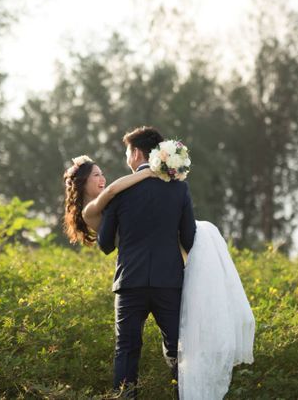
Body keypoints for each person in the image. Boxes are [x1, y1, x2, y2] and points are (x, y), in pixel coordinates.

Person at [63, 126, 254, 399]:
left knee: (126, 349)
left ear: (137, 152)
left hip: (129, 282)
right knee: (178, 349)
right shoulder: (178, 189)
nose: (126, 156)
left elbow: (105, 245)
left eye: (128, 151)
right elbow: (189, 238)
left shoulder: (120, 193)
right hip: (170, 282)